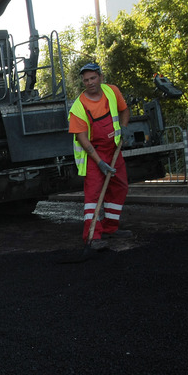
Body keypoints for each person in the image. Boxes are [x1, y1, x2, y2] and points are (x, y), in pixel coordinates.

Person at [67, 62, 133, 249]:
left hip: (114, 149)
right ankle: (92, 235)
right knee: (94, 195)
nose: (89, 83)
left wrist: (125, 128)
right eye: (86, 80)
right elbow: (82, 139)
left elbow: (124, 110)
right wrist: (100, 163)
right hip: (94, 154)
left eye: (93, 78)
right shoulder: (78, 107)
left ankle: (111, 228)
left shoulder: (112, 91)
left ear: (101, 77)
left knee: (119, 186)